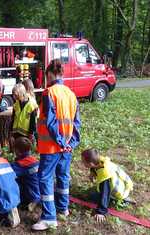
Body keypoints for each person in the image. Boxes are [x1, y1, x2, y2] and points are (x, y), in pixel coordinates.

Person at [32, 59, 81, 231]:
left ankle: (49, 217)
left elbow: (51, 123)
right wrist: (70, 143)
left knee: (44, 178)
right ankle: (63, 208)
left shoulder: (48, 93)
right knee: (63, 176)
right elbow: (76, 123)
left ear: (50, 74)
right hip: (66, 146)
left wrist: (60, 143)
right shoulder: (71, 94)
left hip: (52, 146)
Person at [81, 148, 133, 223]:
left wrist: (101, 212)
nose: (82, 163)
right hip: (125, 185)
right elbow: (94, 167)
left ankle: (121, 200)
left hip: (120, 192)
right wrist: (92, 172)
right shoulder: (101, 160)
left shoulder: (105, 176)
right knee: (93, 192)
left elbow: (105, 194)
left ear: (91, 164)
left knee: (91, 196)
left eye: (83, 162)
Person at [11, 137, 40, 211]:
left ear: (17, 151)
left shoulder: (20, 164)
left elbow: (8, 175)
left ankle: (31, 202)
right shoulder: (35, 160)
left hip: (31, 194)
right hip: (42, 191)